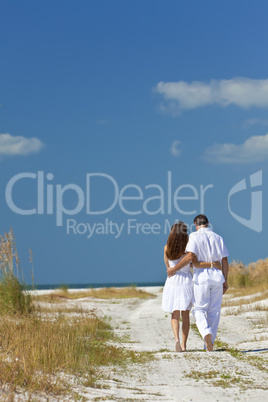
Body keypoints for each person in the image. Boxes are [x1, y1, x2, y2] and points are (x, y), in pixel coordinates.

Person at [168, 215, 229, 352]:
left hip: (201, 278)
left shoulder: (194, 237)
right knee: (214, 311)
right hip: (217, 278)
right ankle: (209, 342)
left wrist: (175, 268)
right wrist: (225, 280)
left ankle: (206, 332)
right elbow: (224, 261)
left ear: (196, 224)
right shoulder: (219, 238)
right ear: (208, 223)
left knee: (199, 309)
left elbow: (190, 256)